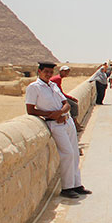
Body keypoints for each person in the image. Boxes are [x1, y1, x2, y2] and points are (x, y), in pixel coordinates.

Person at [25, 62, 92, 199]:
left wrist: (60, 113)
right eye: (46, 72)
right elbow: (30, 110)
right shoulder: (34, 87)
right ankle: (67, 188)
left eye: (51, 72)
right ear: (39, 71)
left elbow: (66, 104)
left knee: (74, 152)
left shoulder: (53, 85)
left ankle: (76, 184)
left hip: (66, 121)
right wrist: (52, 115)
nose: (49, 74)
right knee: (67, 153)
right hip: (55, 124)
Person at [50, 65, 83, 132]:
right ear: (61, 71)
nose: (67, 73)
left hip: (56, 95)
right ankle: (75, 124)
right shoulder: (58, 79)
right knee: (74, 105)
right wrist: (71, 98)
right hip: (55, 97)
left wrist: (70, 98)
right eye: (65, 71)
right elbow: (60, 93)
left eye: (68, 71)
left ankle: (75, 123)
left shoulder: (58, 78)